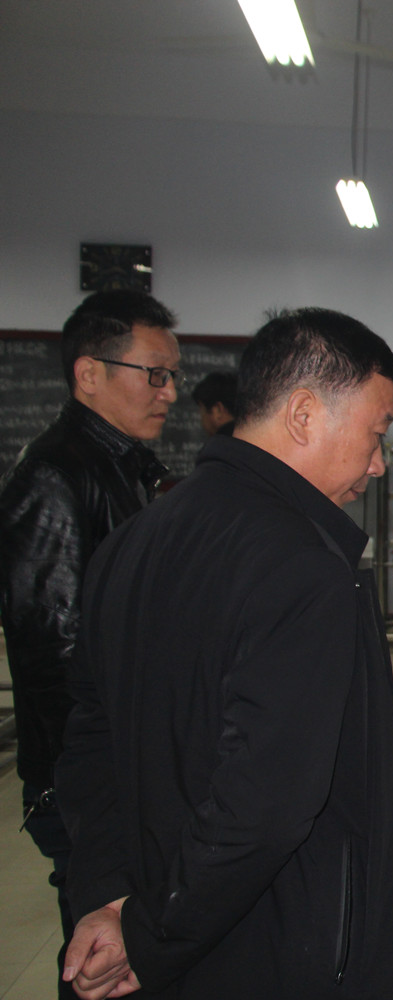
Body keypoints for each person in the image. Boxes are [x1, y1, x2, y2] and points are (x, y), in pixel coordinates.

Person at [56, 308, 393, 1000]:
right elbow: (264, 805)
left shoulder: (131, 543)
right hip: (278, 947)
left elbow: (89, 743)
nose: (379, 462)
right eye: (377, 432)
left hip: (163, 917)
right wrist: (154, 936)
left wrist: (110, 898)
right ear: (303, 414)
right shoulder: (305, 567)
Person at [0, 289, 179, 1000]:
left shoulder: (121, 466)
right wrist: (107, 785)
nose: (169, 393)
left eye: (173, 376)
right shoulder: (55, 475)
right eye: (154, 374)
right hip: (90, 782)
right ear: (88, 374)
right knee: (101, 961)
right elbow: (57, 652)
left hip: (126, 768)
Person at [189, 370, 237, 436]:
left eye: (202, 411)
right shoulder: (247, 437)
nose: (202, 421)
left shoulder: (221, 441)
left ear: (218, 410)